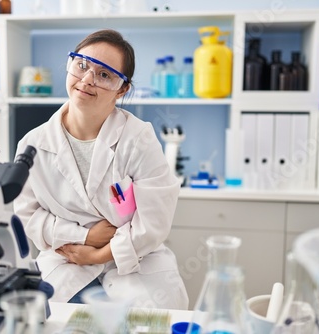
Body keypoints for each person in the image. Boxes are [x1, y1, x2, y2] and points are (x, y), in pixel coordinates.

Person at [13, 29, 188, 309]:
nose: (87, 80)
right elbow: (27, 217)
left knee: (144, 322)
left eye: (104, 74)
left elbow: (154, 223)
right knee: (55, 321)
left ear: (122, 89)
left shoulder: (138, 138)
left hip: (134, 263)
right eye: (81, 65)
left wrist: (97, 255)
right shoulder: (33, 144)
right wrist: (84, 237)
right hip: (66, 262)